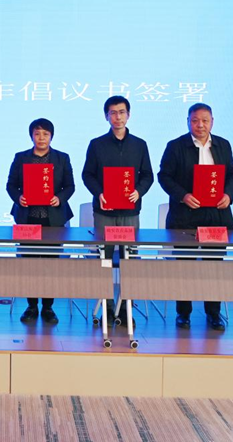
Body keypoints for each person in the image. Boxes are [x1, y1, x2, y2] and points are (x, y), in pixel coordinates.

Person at [158, 103, 233, 331]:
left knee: (214, 266)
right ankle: (183, 313)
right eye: (195, 120)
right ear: (188, 121)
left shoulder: (223, 145)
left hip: (216, 215)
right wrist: (183, 196)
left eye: (205, 120)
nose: (200, 125)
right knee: (185, 267)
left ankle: (213, 313)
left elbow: (232, 175)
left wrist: (228, 195)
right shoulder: (175, 146)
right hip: (186, 215)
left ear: (212, 121)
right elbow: (164, 176)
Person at [82, 95, 154, 321]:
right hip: (104, 212)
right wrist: (99, 193)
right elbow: (87, 175)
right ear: (106, 116)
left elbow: (148, 175)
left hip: (130, 212)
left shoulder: (139, 145)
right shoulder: (97, 144)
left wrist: (138, 191)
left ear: (128, 115)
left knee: (128, 260)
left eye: (122, 112)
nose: (117, 117)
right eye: (113, 113)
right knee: (104, 259)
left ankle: (125, 308)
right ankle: (106, 305)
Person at [6, 118, 75, 325]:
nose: (41, 138)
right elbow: (11, 185)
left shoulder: (62, 158)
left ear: (51, 136)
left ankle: (48, 307)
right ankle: (31, 306)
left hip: (53, 220)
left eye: (45, 134)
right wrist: (18, 197)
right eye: (37, 134)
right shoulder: (21, 158)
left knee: (50, 266)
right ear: (31, 136)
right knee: (29, 265)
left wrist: (59, 198)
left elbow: (70, 186)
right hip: (28, 219)